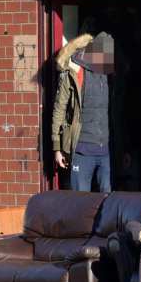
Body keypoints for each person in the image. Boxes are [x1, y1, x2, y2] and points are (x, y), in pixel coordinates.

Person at [51, 31, 115, 192]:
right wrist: (57, 148)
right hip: (82, 149)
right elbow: (59, 109)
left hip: (104, 151)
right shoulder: (75, 73)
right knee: (80, 202)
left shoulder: (108, 75)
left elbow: (115, 113)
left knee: (106, 201)